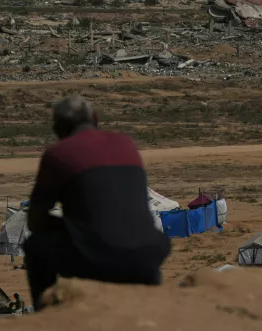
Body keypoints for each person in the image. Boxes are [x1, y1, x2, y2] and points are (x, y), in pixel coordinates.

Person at [24, 95, 170, 309]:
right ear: (95, 118)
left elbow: (35, 221)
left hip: (99, 257)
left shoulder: (58, 154)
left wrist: (70, 225)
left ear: (58, 129)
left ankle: (46, 315)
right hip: (150, 253)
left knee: (35, 245)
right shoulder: (126, 144)